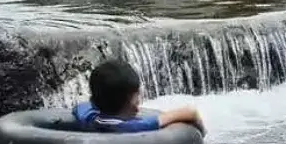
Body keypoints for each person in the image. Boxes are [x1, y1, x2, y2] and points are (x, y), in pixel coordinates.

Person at [72, 59, 205, 135]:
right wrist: (202, 134)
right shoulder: (134, 127)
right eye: (137, 96)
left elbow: (80, 107)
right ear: (132, 103)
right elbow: (190, 112)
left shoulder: (88, 118)